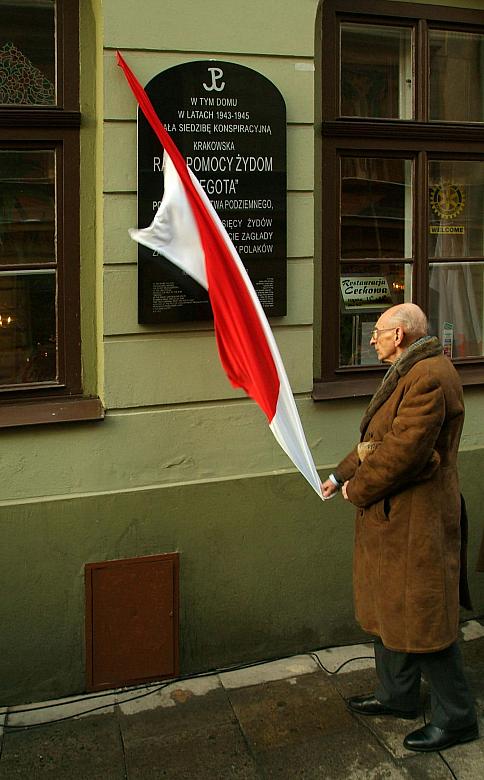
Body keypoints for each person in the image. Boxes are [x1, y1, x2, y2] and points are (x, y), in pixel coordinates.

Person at [322, 303, 478, 753]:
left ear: (402, 335)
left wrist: (359, 490)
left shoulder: (429, 376)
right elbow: (377, 442)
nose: (371, 339)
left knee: (423, 616)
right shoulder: (409, 370)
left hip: (417, 521)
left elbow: (404, 453)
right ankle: (398, 697)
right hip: (396, 519)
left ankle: (457, 718)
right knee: (390, 607)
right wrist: (339, 475)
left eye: (379, 332)